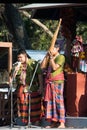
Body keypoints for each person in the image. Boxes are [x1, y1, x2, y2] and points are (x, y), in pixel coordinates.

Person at [9, 49, 43, 126]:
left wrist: (41, 86)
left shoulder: (33, 63)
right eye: (18, 58)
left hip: (32, 87)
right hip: (21, 88)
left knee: (34, 105)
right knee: (23, 106)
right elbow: (11, 76)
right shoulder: (16, 65)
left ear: (25, 55)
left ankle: (36, 122)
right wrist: (16, 70)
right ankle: (26, 122)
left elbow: (39, 74)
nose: (19, 59)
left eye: (21, 57)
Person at [40, 40, 65, 128]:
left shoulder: (61, 57)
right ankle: (53, 122)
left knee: (58, 102)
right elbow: (42, 66)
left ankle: (62, 123)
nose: (50, 50)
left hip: (57, 82)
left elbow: (54, 67)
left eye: (53, 48)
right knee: (50, 103)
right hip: (49, 82)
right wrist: (46, 56)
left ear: (57, 49)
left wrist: (51, 58)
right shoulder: (50, 57)